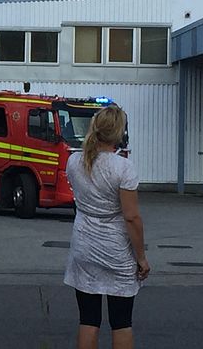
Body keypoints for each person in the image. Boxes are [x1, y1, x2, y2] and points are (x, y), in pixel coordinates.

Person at [64, 105, 149, 349]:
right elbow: (131, 217)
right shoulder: (123, 168)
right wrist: (141, 258)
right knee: (121, 321)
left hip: (84, 245)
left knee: (88, 319)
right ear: (119, 133)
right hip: (116, 250)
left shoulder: (74, 161)